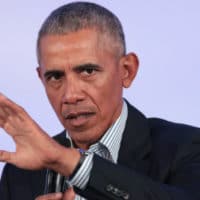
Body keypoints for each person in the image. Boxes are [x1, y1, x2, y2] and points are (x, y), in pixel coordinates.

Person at [0, 2, 200, 200]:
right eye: (55, 77)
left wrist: (68, 162)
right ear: (41, 78)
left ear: (127, 70)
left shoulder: (187, 147)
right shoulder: (19, 173)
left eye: (88, 71)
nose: (70, 95)